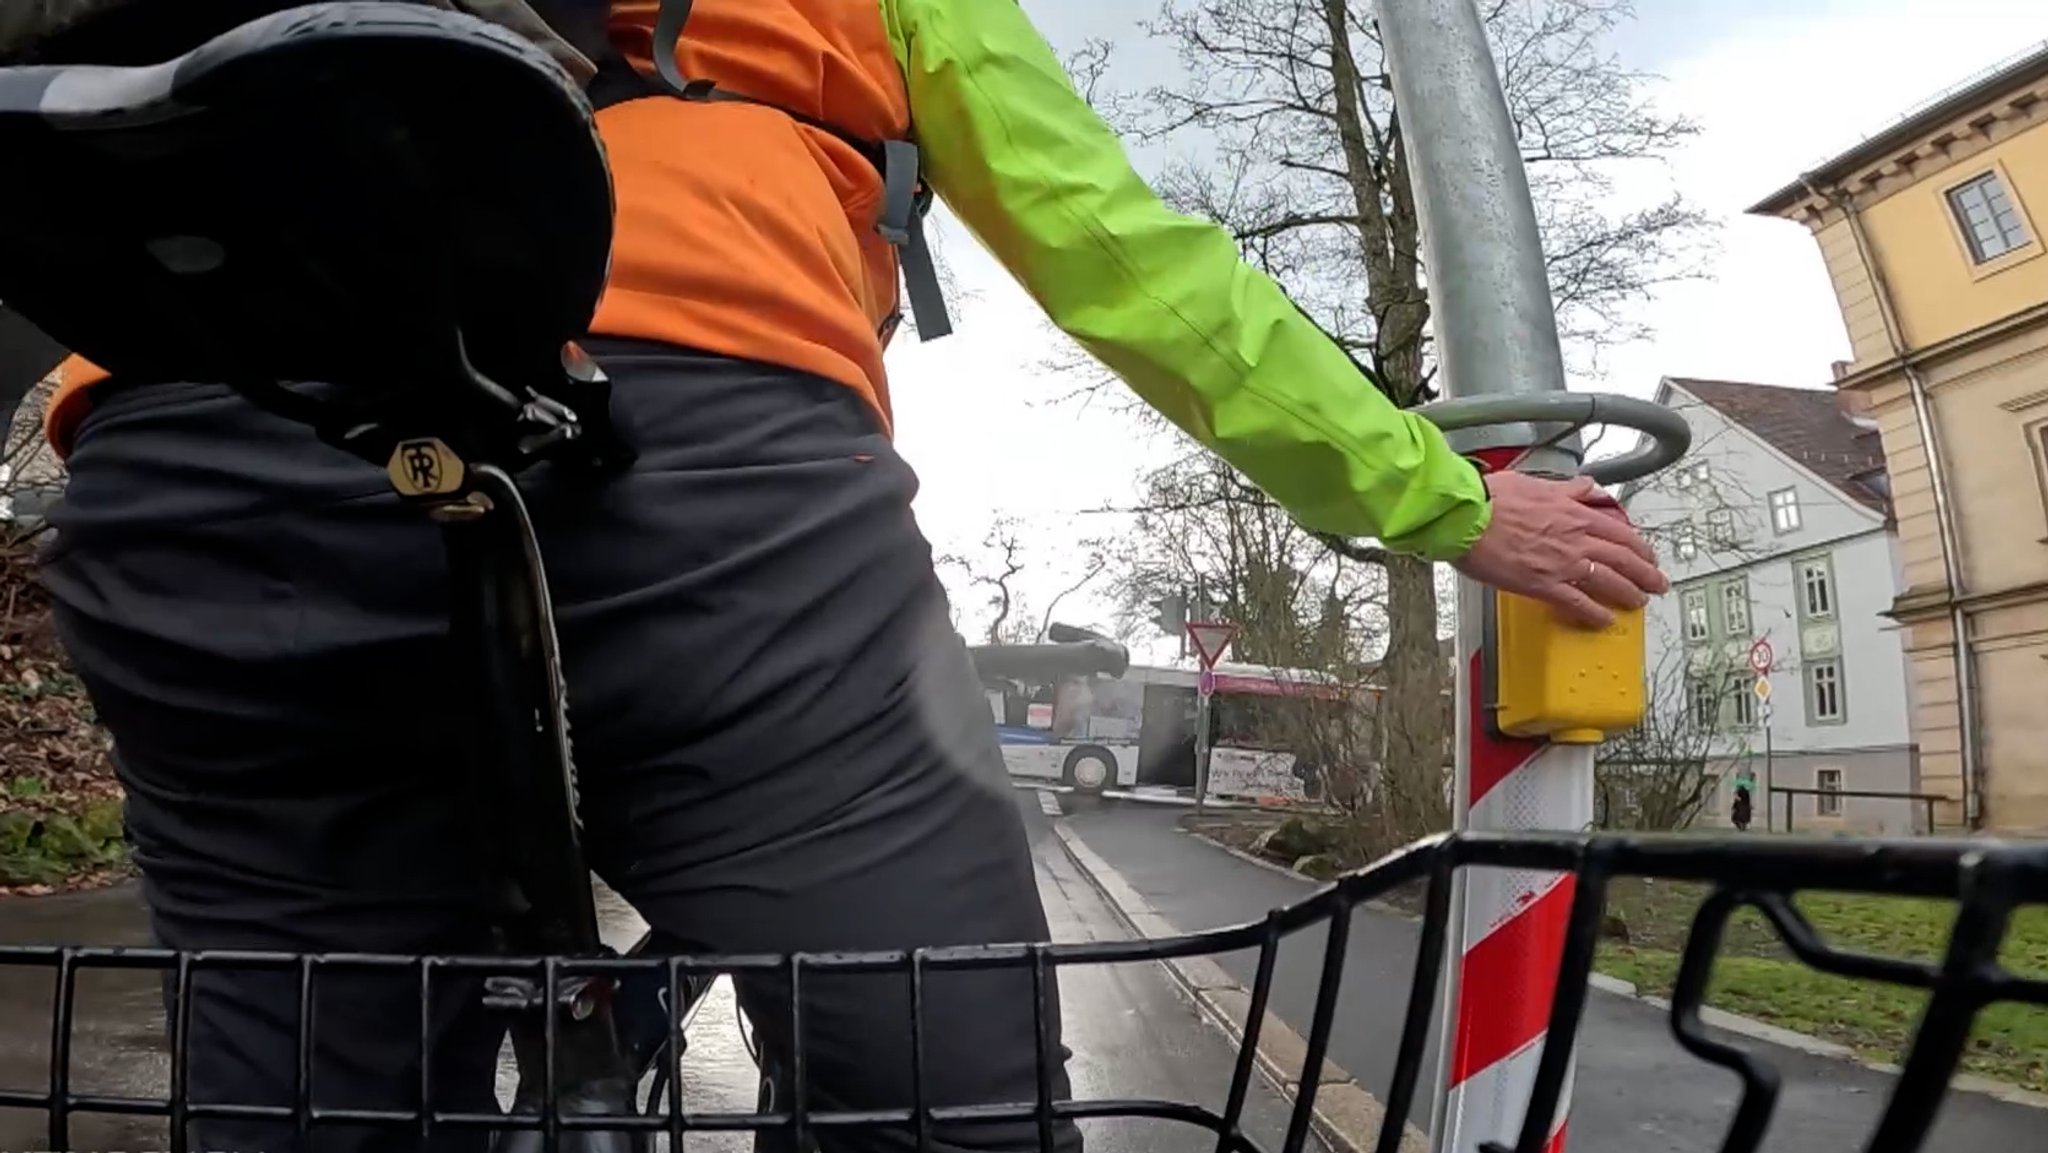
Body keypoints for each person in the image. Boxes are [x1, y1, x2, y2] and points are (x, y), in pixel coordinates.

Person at [34, 2, 1670, 1152]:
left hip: (189, 472)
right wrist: (1439, 497)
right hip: (692, 470)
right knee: (934, 1071)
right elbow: (1129, 260)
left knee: (311, 1092)